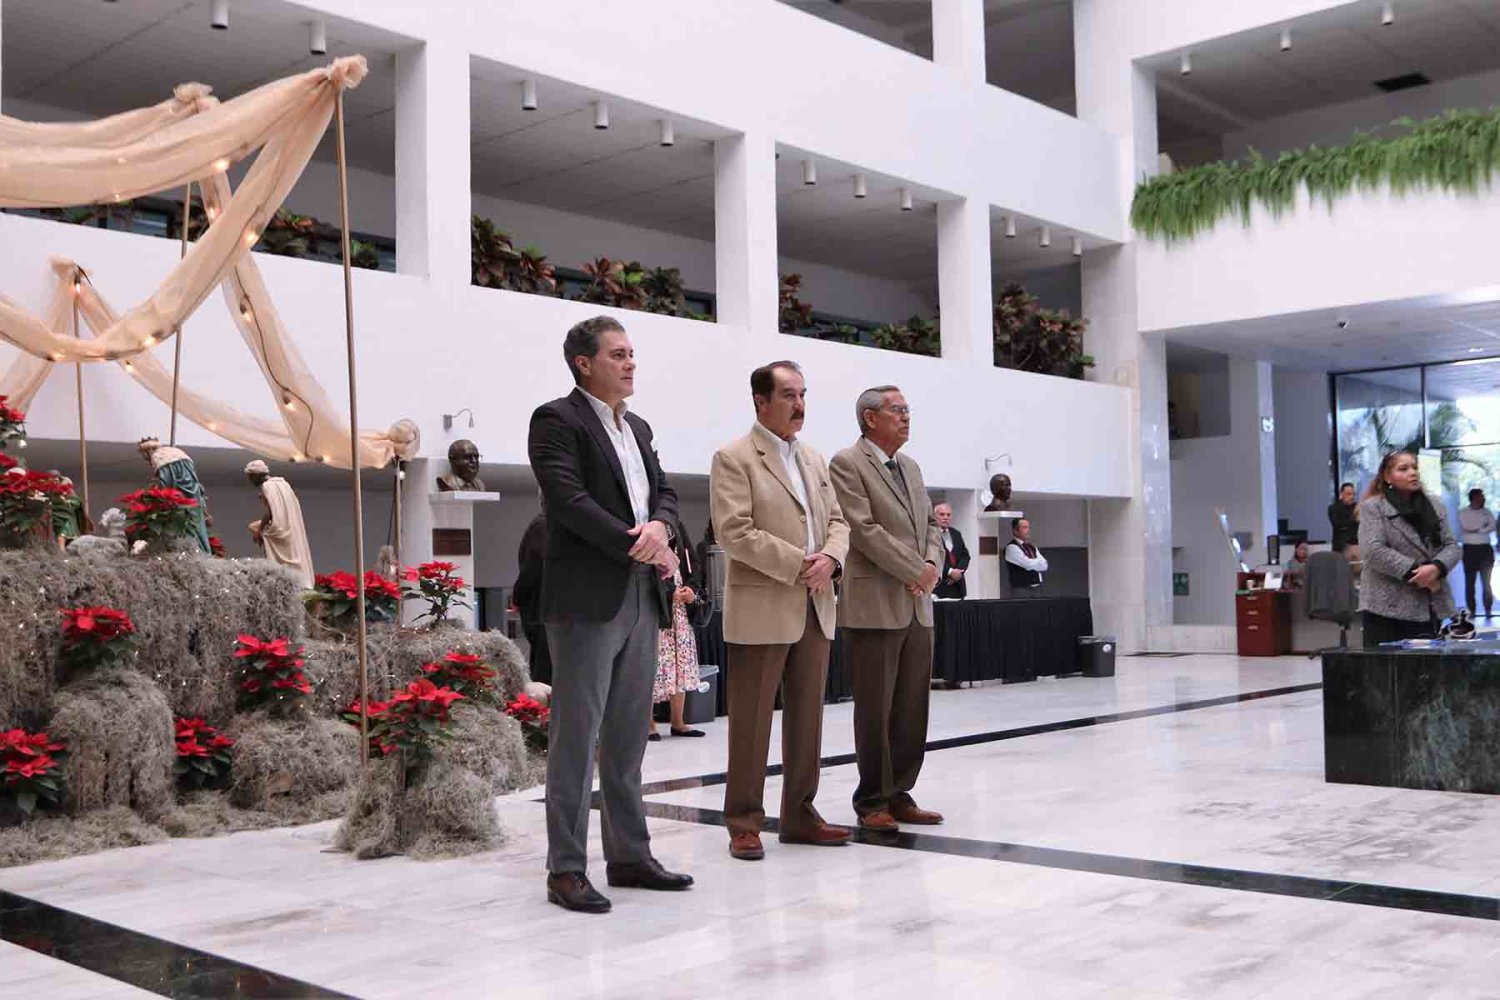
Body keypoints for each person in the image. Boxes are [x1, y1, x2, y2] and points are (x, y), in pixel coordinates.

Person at [527, 315, 692, 914]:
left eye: (631, 353)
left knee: (627, 737)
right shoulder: (557, 420)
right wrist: (636, 541)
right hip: (586, 601)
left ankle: (629, 856)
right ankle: (566, 869)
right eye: (618, 354)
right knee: (576, 739)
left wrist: (662, 527)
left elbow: (664, 491)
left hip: (642, 597)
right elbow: (568, 501)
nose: (630, 363)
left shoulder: (638, 427)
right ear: (584, 363)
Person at [711, 360, 850, 862]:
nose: (799, 404)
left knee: (808, 718)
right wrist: (801, 565)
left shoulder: (813, 458)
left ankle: (800, 815)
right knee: (751, 721)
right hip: (764, 605)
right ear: (761, 401)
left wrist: (831, 558)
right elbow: (735, 532)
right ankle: (744, 822)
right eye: (789, 394)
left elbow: (838, 521)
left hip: (816, 603)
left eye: (803, 394)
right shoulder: (734, 457)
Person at [828, 385, 943, 832]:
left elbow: (931, 524)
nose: (906, 416)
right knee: (875, 707)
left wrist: (931, 566)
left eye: (908, 409)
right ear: (870, 418)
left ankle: (900, 792)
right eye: (898, 410)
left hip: (917, 605)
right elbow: (862, 529)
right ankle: (872, 799)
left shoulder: (911, 467)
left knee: (912, 706)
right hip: (874, 605)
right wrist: (916, 570)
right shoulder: (847, 463)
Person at [1356, 451, 1460, 648]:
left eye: (1414, 467)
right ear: (1387, 477)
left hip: (1429, 603)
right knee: (1386, 666)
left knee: (1427, 665)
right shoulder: (1374, 507)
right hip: (1386, 607)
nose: (1412, 472)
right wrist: (1422, 575)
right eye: (1403, 469)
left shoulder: (1435, 505)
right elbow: (1373, 551)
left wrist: (1437, 568)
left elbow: (1451, 546)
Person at [648, 519, 704, 741]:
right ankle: (648, 724)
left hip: (680, 612)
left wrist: (691, 589)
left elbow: (692, 563)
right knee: (654, 665)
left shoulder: (677, 527)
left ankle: (678, 722)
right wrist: (666, 592)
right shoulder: (645, 525)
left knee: (681, 664)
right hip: (657, 610)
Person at [244, 460, 314, 589]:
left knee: (255, 529)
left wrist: (260, 530)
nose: (250, 481)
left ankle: (287, 583)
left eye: (250, 477)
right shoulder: (283, 484)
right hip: (288, 527)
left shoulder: (267, 486)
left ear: (255, 475)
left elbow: (271, 512)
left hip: (280, 529)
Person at [137, 437, 211, 553]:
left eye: (144, 454)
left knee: (184, 527)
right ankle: (203, 550)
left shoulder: (158, 456)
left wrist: (154, 494)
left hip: (180, 498)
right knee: (197, 524)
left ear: (148, 450)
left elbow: (165, 482)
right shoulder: (176, 452)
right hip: (194, 493)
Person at [512, 506, 550, 685]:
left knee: (544, 668)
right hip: (546, 608)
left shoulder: (543, 526)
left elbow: (531, 569)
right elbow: (533, 569)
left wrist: (518, 597)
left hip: (543, 608)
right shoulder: (546, 526)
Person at [1458, 488, 1496, 618]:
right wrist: (1482, 527)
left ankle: (1488, 610)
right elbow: (1466, 527)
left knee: (1486, 582)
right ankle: (1472, 611)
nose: (1483, 498)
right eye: (1481, 496)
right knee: (1470, 583)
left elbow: (1493, 526)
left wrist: (1479, 530)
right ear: (1473, 498)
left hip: (1485, 550)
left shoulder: (1487, 512)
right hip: (1469, 549)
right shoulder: (1463, 512)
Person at [932, 502, 970, 599]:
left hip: (957, 587)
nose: (945, 517)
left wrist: (958, 573)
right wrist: (950, 572)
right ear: (935, 516)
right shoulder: (930, 534)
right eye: (942, 514)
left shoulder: (956, 534)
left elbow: (965, 556)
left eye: (948, 515)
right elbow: (932, 557)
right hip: (938, 587)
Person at [1005, 518, 1047, 596]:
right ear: (1015, 531)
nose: (1028, 530)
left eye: (1028, 527)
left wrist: (1033, 562)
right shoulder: (1012, 547)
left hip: (1037, 588)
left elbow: (1044, 565)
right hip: (1021, 589)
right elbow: (1027, 565)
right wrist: (1037, 562)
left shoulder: (1032, 547)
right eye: (1024, 528)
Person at [1329, 482, 1360, 560]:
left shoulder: (1358, 507)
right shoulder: (1334, 508)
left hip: (1357, 544)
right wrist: (1354, 519)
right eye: (1348, 494)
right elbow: (1336, 523)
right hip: (1341, 545)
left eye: (1353, 494)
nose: (1352, 497)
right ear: (1341, 494)